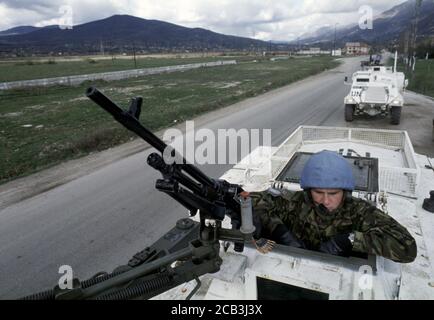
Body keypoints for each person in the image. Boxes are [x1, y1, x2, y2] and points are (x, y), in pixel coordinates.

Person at [250, 150, 417, 263]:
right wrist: (279, 230)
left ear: (345, 192)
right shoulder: (296, 201)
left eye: (333, 193)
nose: (325, 201)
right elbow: (251, 200)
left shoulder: (359, 211)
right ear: (308, 191)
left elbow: (407, 248)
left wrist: (349, 241)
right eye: (318, 192)